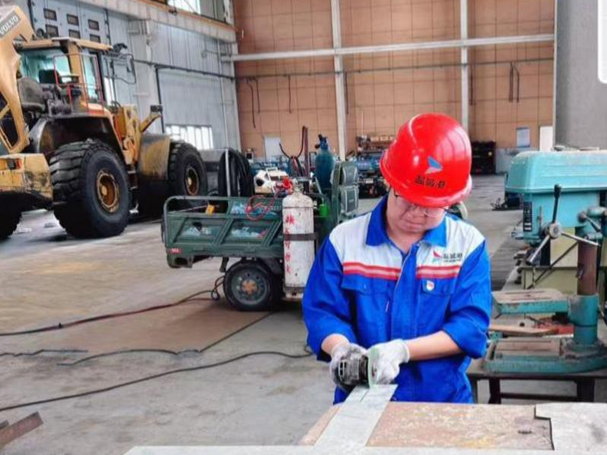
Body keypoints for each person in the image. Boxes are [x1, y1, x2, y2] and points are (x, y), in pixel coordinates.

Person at [302, 113, 491, 404]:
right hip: (362, 401)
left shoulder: (467, 246)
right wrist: (341, 348)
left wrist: (403, 350)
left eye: (430, 206)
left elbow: (470, 326)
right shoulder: (344, 242)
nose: (416, 213)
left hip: (442, 402)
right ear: (390, 183)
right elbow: (323, 312)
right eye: (407, 199)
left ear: (450, 201)